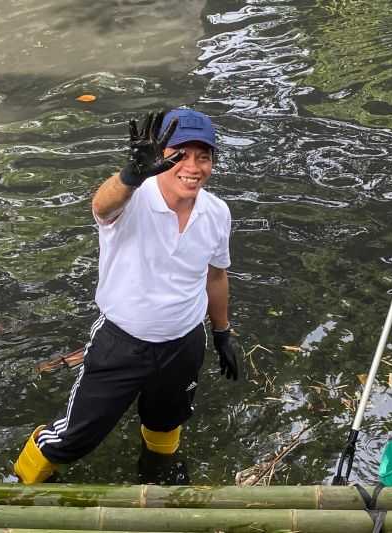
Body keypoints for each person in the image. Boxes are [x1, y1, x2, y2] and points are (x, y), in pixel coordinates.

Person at [12, 108, 241, 484]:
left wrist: (221, 332)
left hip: (184, 342)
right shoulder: (132, 198)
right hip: (122, 342)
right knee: (73, 438)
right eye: (180, 155)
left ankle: (157, 473)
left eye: (204, 157)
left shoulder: (217, 212)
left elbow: (216, 275)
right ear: (159, 155)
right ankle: (20, 485)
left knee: (168, 420)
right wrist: (130, 176)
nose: (193, 167)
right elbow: (101, 205)